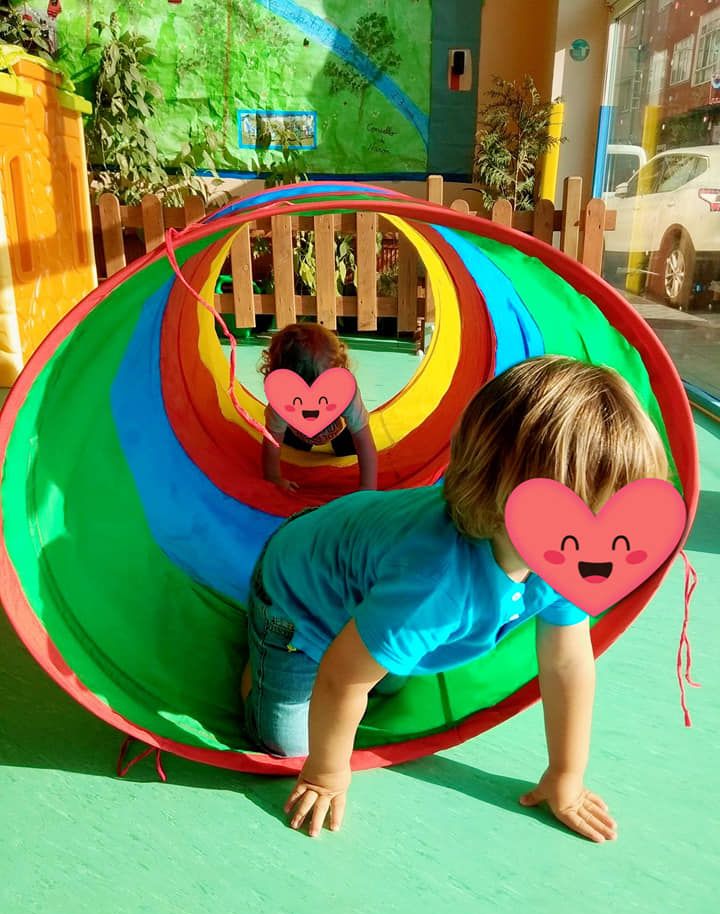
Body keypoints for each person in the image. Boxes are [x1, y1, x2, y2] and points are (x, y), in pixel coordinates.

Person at [241, 356, 669, 842]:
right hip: (299, 596)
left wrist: (565, 776)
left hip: (363, 563)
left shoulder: (572, 558)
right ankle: (261, 659)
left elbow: (568, 662)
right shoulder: (436, 582)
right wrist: (325, 774)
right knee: (287, 748)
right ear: (495, 485)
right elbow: (342, 675)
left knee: (387, 682)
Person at [259, 323, 378, 492]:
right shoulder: (283, 398)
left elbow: (363, 440)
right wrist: (274, 477)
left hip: (339, 431)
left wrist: (367, 488)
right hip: (297, 432)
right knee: (291, 446)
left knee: (348, 450)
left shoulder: (343, 391)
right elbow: (272, 441)